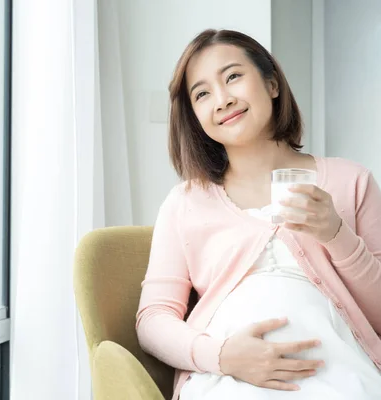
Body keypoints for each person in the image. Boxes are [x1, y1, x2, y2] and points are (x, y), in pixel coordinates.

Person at [135, 29, 381, 400]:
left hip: (341, 378)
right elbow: (152, 321)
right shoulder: (184, 203)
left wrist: (336, 235)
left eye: (233, 76)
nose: (222, 100)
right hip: (227, 382)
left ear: (271, 84)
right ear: (195, 115)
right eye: (202, 94)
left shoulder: (351, 181)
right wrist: (222, 356)